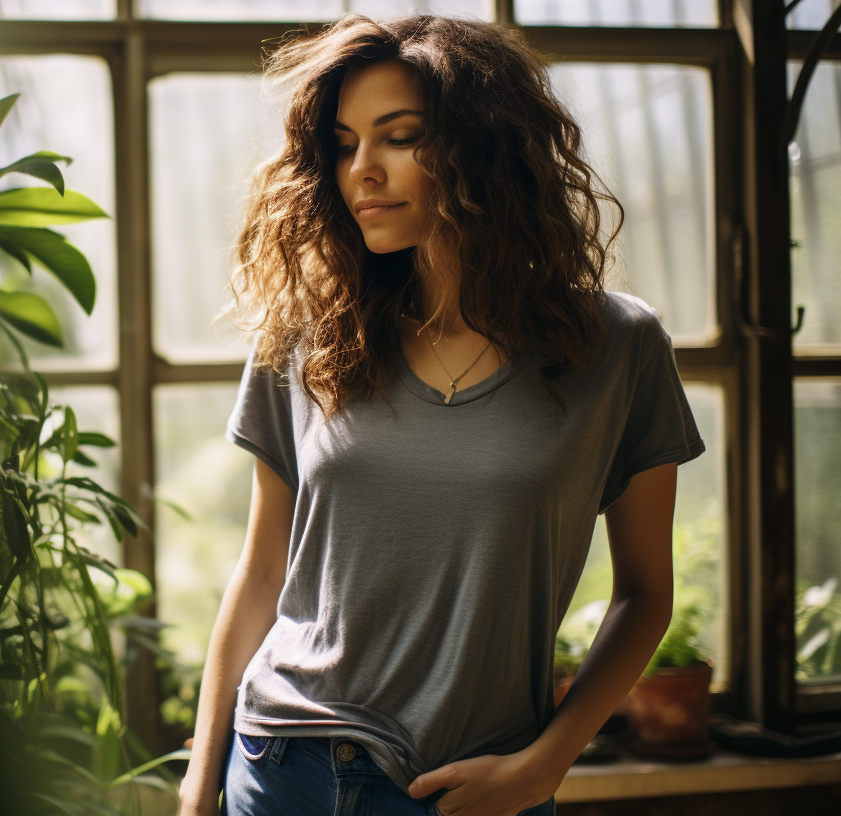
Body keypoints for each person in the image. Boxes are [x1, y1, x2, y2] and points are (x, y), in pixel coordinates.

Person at [176, 13, 706, 816]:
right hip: (281, 764)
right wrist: (198, 784)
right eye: (346, 144)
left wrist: (544, 766)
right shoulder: (307, 340)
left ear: (483, 149)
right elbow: (260, 574)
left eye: (398, 137)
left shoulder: (617, 347)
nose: (363, 170)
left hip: (470, 789)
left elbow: (644, 593)